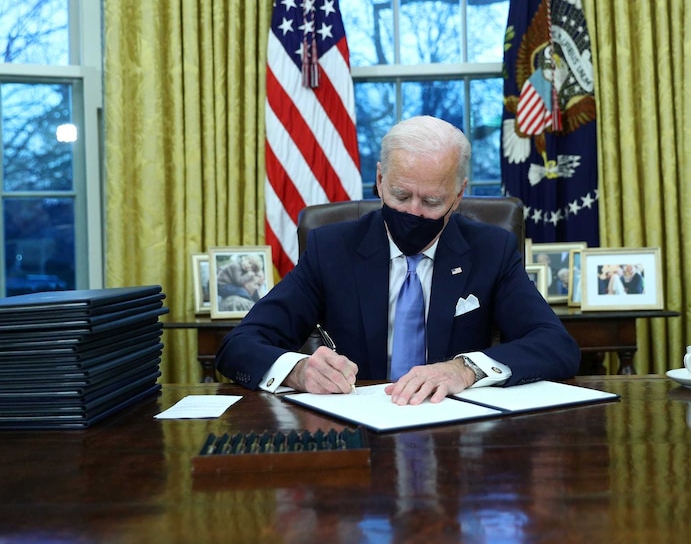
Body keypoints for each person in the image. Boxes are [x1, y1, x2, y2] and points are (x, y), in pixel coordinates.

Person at [215, 116, 580, 405]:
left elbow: (555, 345)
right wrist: (297, 370)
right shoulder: (332, 249)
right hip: (359, 435)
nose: (414, 212)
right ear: (379, 179)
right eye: (401, 194)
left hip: (456, 434)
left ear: (458, 194)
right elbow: (240, 345)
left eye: (433, 201)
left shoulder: (490, 250)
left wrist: (465, 369)